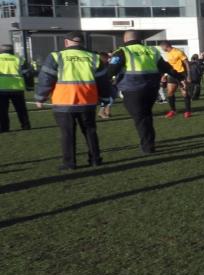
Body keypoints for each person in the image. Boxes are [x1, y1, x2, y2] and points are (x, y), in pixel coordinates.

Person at [33, 32, 103, 170]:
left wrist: (40, 97)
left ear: (66, 42)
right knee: (90, 131)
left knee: (67, 134)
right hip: (87, 101)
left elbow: (46, 78)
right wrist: (105, 97)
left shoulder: (56, 56)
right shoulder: (94, 57)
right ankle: (95, 159)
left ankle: (69, 163)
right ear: (82, 42)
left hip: (63, 102)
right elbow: (103, 81)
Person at [110, 30, 185, 154]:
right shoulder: (152, 50)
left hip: (132, 89)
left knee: (140, 118)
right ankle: (149, 142)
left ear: (125, 39)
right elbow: (166, 67)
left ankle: (148, 146)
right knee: (146, 115)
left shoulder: (122, 51)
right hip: (151, 89)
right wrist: (181, 78)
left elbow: (111, 70)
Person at [0, 43, 33, 132]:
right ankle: (26, 126)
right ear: (12, 50)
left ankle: (4, 128)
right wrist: (30, 87)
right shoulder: (19, 59)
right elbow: (28, 74)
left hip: (1, 89)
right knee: (21, 109)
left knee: (2, 111)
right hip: (17, 89)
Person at [159, 43, 189, 119]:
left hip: (181, 74)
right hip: (172, 75)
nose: (162, 49)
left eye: (162, 47)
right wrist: (165, 75)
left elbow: (187, 63)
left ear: (165, 46)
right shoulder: (167, 53)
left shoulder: (178, 52)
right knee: (170, 92)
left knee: (184, 92)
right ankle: (173, 111)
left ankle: (187, 111)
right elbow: (170, 66)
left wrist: (189, 76)